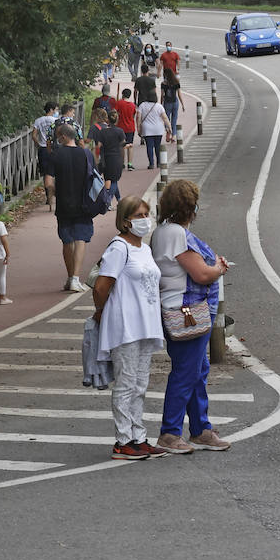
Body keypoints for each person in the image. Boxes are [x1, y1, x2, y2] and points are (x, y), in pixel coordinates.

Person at [151, 180, 232, 454]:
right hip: (186, 312)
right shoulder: (175, 233)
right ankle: (170, 432)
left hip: (181, 309)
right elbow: (200, 274)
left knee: (197, 371)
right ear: (190, 207)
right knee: (187, 373)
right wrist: (218, 269)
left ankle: (200, 429)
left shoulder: (164, 231)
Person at [92, 196, 168, 460]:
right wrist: (102, 312)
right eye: (138, 215)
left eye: (147, 214)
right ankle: (123, 440)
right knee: (126, 383)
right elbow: (102, 286)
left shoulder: (144, 249)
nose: (145, 220)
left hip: (146, 325)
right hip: (125, 325)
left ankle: (139, 436)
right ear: (125, 221)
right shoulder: (118, 247)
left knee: (140, 384)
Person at [45, 122, 103, 293]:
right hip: (83, 204)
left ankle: (70, 277)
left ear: (63, 136)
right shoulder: (86, 154)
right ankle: (76, 279)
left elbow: (48, 183)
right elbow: (95, 176)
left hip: (63, 205)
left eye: (57, 136)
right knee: (81, 239)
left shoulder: (54, 155)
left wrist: (56, 193)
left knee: (67, 240)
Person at [91, 108, 127, 200]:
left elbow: (98, 145)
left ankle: (119, 199)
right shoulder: (120, 131)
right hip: (116, 157)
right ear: (117, 120)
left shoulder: (102, 132)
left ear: (108, 119)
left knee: (109, 178)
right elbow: (123, 144)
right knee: (114, 180)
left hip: (105, 158)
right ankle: (107, 200)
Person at [137, 94, 173, 170]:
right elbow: (165, 118)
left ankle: (151, 163)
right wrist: (169, 127)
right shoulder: (159, 106)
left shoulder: (142, 105)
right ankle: (159, 162)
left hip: (147, 129)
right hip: (158, 129)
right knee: (158, 146)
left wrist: (138, 128)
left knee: (149, 147)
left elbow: (138, 118)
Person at [32, 102, 59, 205]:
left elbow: (34, 135)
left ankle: (48, 195)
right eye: (56, 109)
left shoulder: (38, 121)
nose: (56, 112)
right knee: (55, 171)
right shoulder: (56, 121)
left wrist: (38, 144)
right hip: (54, 148)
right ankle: (56, 192)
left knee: (45, 173)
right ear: (51, 110)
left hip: (43, 149)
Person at [113, 88, 138, 171]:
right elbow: (134, 115)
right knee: (130, 145)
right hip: (130, 127)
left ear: (122, 94)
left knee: (122, 146)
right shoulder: (132, 105)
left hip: (121, 127)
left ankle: (122, 163)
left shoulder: (119, 103)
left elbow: (113, 112)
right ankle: (130, 164)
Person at [160, 72, 183, 137]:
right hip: (175, 102)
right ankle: (174, 135)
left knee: (166, 118)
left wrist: (161, 103)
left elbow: (162, 95)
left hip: (167, 102)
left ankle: (168, 130)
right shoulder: (176, 82)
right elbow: (179, 94)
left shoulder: (163, 84)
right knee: (174, 119)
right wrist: (182, 104)